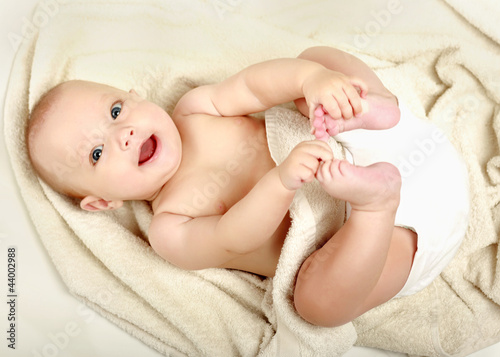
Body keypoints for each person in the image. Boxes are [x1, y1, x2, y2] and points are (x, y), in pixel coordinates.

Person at [26, 46, 469, 327]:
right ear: (103, 202)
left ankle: (373, 106)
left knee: (314, 59)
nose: (121, 135)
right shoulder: (169, 227)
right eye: (97, 154)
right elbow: (230, 236)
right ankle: (376, 207)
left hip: (377, 139)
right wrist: (279, 182)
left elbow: (253, 86)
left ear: (135, 97)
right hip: (392, 236)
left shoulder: (195, 108)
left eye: (117, 111)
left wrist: (310, 82)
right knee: (317, 306)